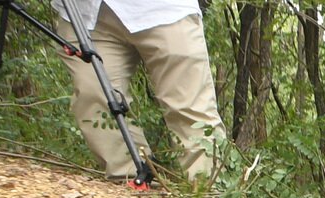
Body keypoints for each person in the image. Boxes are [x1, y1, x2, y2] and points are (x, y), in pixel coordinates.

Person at [55, 0, 226, 180]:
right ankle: (130, 187)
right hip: (85, 15)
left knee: (190, 110)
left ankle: (211, 195)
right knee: (95, 100)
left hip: (166, 11)